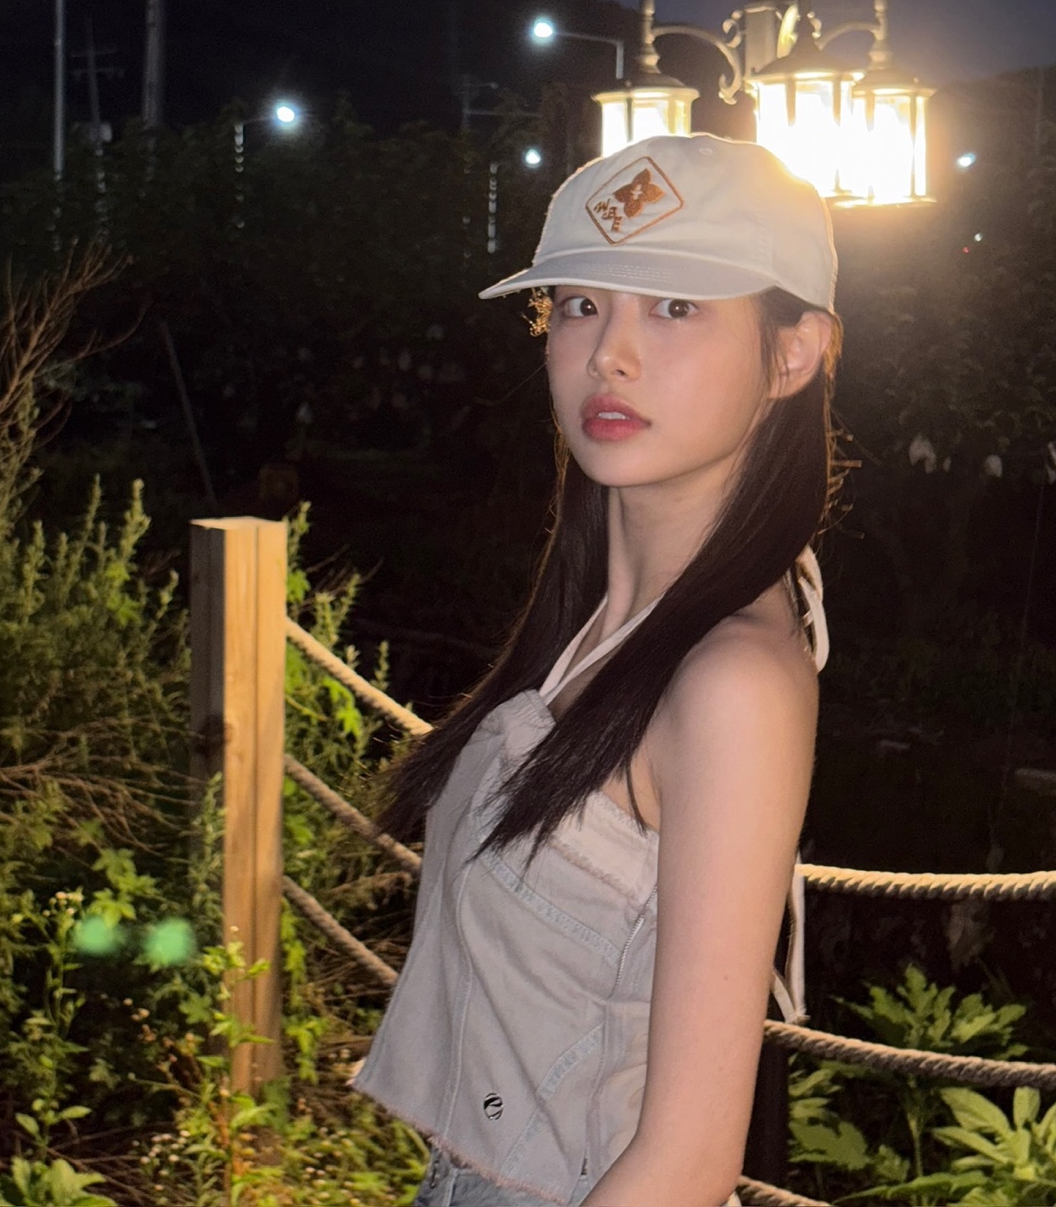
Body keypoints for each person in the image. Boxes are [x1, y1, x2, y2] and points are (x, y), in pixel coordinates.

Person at [354, 133, 842, 1207]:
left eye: (675, 308)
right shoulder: (593, 632)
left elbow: (686, 1165)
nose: (609, 356)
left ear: (792, 353)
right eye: (580, 305)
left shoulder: (731, 683)